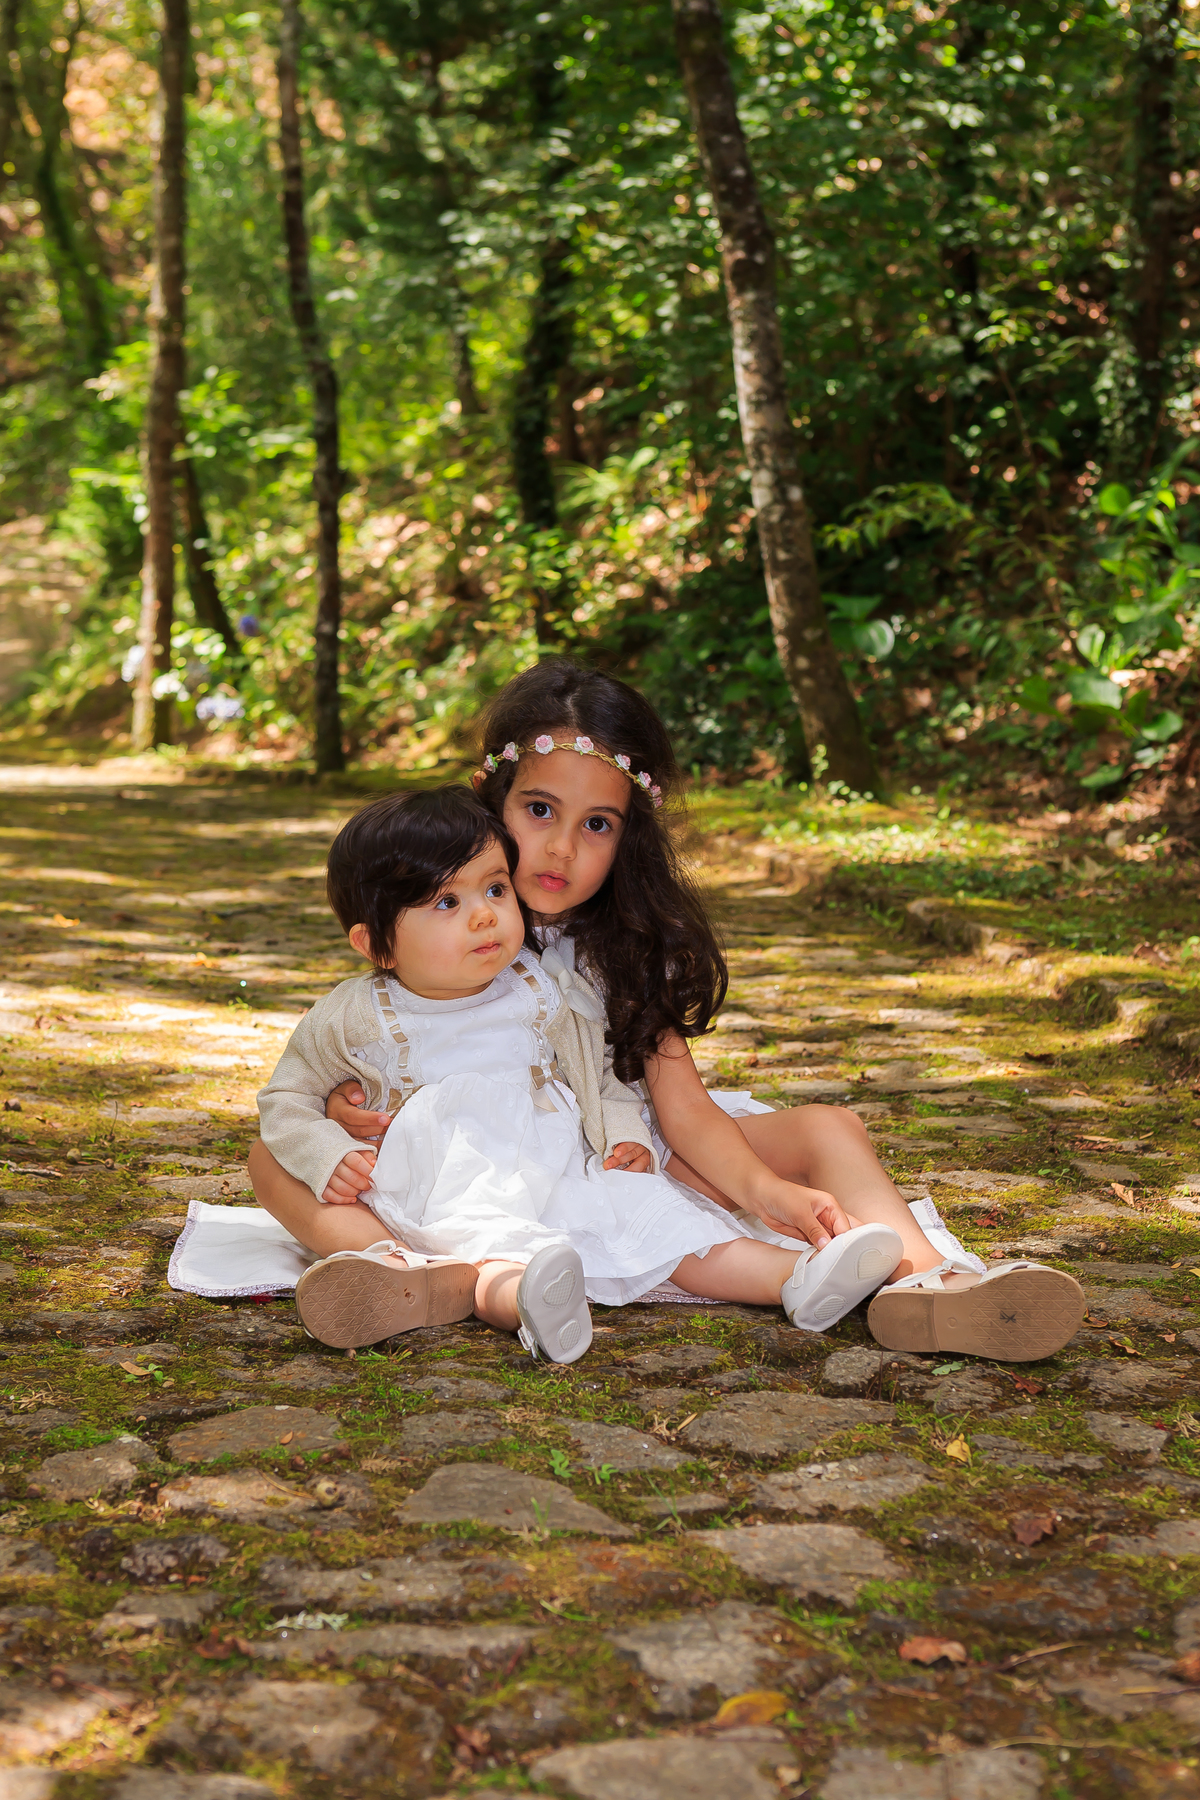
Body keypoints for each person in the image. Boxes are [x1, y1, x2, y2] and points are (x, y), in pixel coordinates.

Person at [251, 661, 1085, 1363]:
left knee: (830, 1127)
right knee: (268, 1158)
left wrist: (767, 1191)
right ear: (491, 799)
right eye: (539, 810)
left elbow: (681, 1114)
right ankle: (390, 1266)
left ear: (627, 836)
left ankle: (929, 1285)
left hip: (632, 1150)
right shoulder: (454, 912)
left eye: (597, 824)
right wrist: (340, 1115)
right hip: (482, 1161)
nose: (561, 849)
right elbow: (381, 1034)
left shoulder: (623, 947)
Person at [256, 784, 909, 1361]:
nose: (484, 914)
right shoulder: (354, 1016)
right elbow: (287, 1095)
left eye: (493, 888)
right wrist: (325, 1148)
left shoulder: (538, 987)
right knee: (500, 1261)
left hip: (555, 1162)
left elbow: (596, 1069)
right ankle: (506, 1297)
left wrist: (621, 1128)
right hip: (439, 1181)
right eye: (445, 903)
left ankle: (798, 1277)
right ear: (377, 947)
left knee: (654, 1219)